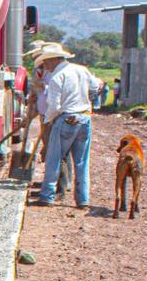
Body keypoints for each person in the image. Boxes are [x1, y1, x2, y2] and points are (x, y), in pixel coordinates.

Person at [32, 42, 102, 208]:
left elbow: (54, 106)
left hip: (66, 118)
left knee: (54, 158)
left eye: (46, 62)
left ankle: (47, 196)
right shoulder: (81, 70)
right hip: (84, 117)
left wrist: (48, 121)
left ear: (53, 60)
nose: (45, 65)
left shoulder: (57, 77)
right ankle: (83, 199)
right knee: (81, 161)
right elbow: (95, 85)